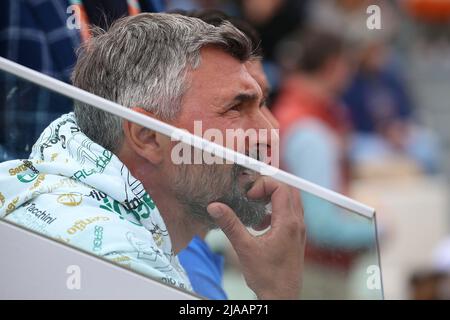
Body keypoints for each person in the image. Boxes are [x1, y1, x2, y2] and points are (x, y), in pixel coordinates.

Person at [0, 13, 305, 299]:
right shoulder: (119, 261)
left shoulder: (70, 207)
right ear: (147, 136)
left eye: (262, 104)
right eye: (236, 108)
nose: (270, 132)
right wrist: (277, 293)